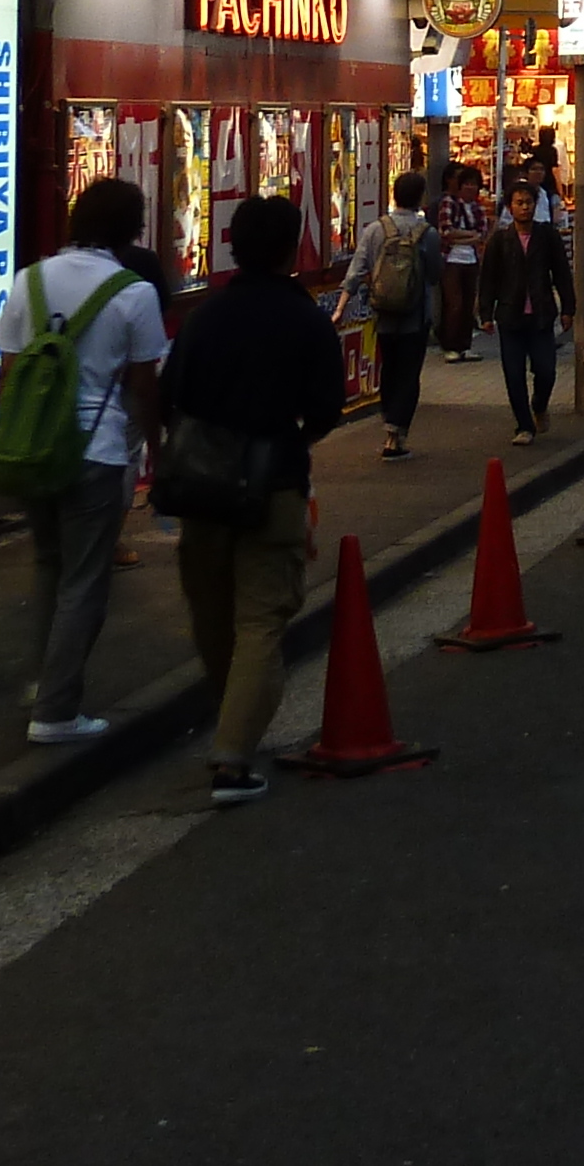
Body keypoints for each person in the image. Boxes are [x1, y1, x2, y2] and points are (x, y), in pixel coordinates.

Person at [159, 193, 345, 807]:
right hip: (273, 482)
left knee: (213, 613)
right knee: (262, 618)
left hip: (201, 485)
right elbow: (323, 410)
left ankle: (231, 719)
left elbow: (171, 396)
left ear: (231, 244)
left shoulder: (205, 316)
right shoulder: (305, 318)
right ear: (293, 247)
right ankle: (233, 757)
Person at [0, 175, 168, 744]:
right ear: (130, 229)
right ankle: (57, 710)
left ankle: (41, 681)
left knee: (49, 567)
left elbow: (9, 373)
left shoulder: (29, 280)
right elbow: (144, 387)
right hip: (98, 450)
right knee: (85, 582)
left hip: (36, 450)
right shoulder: (134, 292)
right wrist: (158, 452)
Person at [348, 172, 434, 458]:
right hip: (416, 315)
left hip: (383, 313)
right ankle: (399, 432)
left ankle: (388, 426)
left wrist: (341, 305)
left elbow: (358, 268)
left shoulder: (375, 230)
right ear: (420, 196)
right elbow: (435, 273)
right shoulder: (427, 233)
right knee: (409, 373)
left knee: (390, 369)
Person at [491, 202, 563, 444]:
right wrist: (484, 313)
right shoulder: (501, 240)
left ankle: (539, 404)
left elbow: (561, 271)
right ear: (511, 208)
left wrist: (568, 307)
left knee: (546, 370)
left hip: (540, 315)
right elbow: (488, 277)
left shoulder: (546, 236)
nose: (525, 208)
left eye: (528, 203)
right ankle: (524, 425)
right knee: (514, 374)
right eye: (519, 203)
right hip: (510, 316)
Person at [434, 160, 490, 361]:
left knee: (468, 305)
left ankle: (465, 345)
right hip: (451, 259)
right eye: (466, 183)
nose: (470, 187)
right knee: (454, 303)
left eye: (474, 184)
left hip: (471, 260)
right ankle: (450, 346)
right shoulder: (449, 203)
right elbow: (446, 231)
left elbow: (483, 233)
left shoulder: (478, 208)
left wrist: (467, 236)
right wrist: (471, 236)